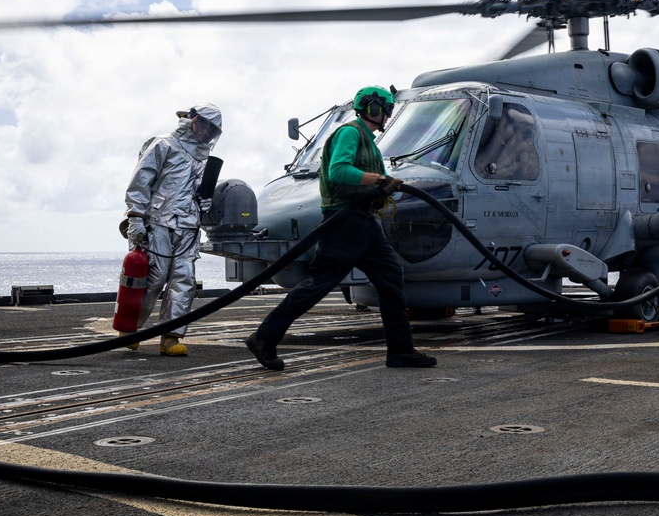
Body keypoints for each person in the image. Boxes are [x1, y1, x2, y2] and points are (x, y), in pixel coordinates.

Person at [245, 86, 437, 371]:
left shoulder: (369, 141)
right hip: (344, 222)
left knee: (390, 277)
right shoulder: (350, 133)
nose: (387, 115)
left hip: (365, 222)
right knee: (319, 283)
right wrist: (378, 179)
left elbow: (364, 178)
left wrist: (382, 183)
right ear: (373, 108)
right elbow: (338, 170)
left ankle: (400, 350)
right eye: (385, 109)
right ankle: (264, 337)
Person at [121, 103, 223, 356]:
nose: (209, 134)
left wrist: (204, 202)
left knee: (184, 281)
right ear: (194, 121)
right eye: (207, 127)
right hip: (158, 221)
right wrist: (135, 217)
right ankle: (129, 329)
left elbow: (195, 191)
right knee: (153, 277)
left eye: (213, 131)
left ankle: (171, 336)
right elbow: (141, 182)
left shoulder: (203, 156)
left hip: (189, 226)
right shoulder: (163, 144)